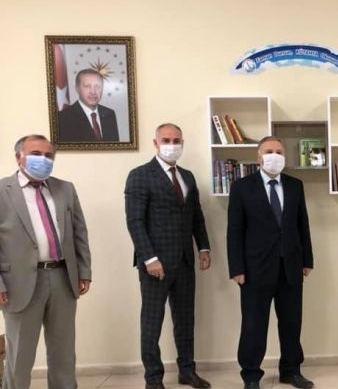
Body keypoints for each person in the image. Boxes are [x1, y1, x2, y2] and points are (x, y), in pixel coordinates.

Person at [0, 134, 92, 389]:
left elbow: (79, 232)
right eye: (36, 154)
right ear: (18, 157)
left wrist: (84, 270)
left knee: (64, 351)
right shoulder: (2, 191)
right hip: (18, 283)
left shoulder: (66, 189)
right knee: (20, 354)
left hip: (63, 278)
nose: (43, 159)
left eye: (49, 155)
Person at [125, 123, 212, 389]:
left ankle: (187, 371)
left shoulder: (187, 176)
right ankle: (153, 378)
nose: (171, 145)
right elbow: (135, 222)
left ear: (182, 144)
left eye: (176, 140)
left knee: (185, 320)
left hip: (185, 261)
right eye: (166, 140)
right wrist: (149, 258)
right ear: (156, 143)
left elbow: (196, 216)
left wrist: (204, 247)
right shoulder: (140, 175)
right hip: (156, 264)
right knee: (152, 322)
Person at [227, 136, 314, 389]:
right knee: (254, 325)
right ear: (258, 156)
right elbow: (234, 231)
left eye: (279, 151)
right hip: (254, 270)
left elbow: (302, 225)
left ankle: (291, 371)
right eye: (268, 151)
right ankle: (251, 375)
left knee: (291, 323)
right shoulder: (242, 187)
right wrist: (237, 268)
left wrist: (307, 260)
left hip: (291, 267)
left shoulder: (295, 185)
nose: (274, 156)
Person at [57, 69, 119, 142]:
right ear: (77, 88)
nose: (93, 92)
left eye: (98, 86)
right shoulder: (63, 118)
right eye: (87, 86)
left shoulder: (109, 114)